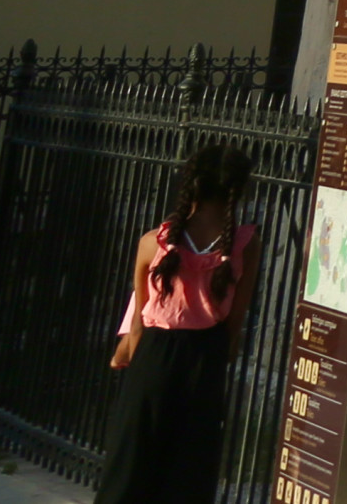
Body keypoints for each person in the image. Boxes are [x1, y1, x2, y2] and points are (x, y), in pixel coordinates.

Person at [92, 143, 258, 504]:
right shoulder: (245, 245)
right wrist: (222, 353)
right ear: (238, 190)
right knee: (191, 462)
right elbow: (236, 319)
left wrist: (133, 355)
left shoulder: (154, 242)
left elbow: (140, 315)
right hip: (207, 352)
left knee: (134, 453)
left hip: (155, 351)